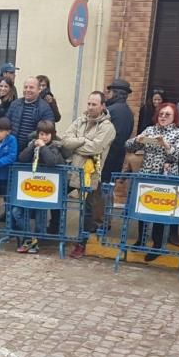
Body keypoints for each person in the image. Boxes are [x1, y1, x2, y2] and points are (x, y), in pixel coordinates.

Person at [124, 102, 179, 261]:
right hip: (146, 176)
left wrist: (165, 144)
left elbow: (178, 156)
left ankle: (158, 245)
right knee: (144, 208)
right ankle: (141, 239)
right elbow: (128, 146)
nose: (163, 117)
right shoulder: (150, 130)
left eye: (167, 115)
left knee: (160, 211)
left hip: (165, 178)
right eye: (161, 114)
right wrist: (137, 140)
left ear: (174, 118)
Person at [60, 91, 116, 258]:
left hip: (90, 174)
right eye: (89, 104)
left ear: (102, 106)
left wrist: (76, 143)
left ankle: (81, 243)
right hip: (72, 170)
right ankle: (53, 230)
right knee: (58, 198)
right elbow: (65, 140)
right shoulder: (80, 120)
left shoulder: (108, 127)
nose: (90, 107)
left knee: (87, 210)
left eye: (94, 104)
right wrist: (83, 141)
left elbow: (96, 148)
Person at [13, 120, 64, 254]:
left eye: (47, 134)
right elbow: (22, 158)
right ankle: (30, 238)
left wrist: (43, 147)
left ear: (52, 135)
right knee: (16, 212)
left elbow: (52, 161)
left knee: (40, 218)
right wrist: (32, 147)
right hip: (29, 188)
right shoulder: (32, 144)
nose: (44, 137)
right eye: (42, 134)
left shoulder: (55, 147)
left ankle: (34, 242)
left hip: (45, 190)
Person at [6, 77, 55, 154]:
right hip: (12, 149)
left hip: (32, 151)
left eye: (31, 87)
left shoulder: (45, 108)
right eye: (25, 87)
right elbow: (6, 124)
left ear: (39, 90)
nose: (27, 90)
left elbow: (49, 130)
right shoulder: (15, 104)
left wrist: (31, 139)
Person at [102, 78, 135, 186]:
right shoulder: (128, 111)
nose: (107, 95)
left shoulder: (112, 110)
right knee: (108, 188)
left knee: (101, 191)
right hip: (117, 158)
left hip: (107, 158)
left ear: (116, 94)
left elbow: (114, 138)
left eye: (109, 92)